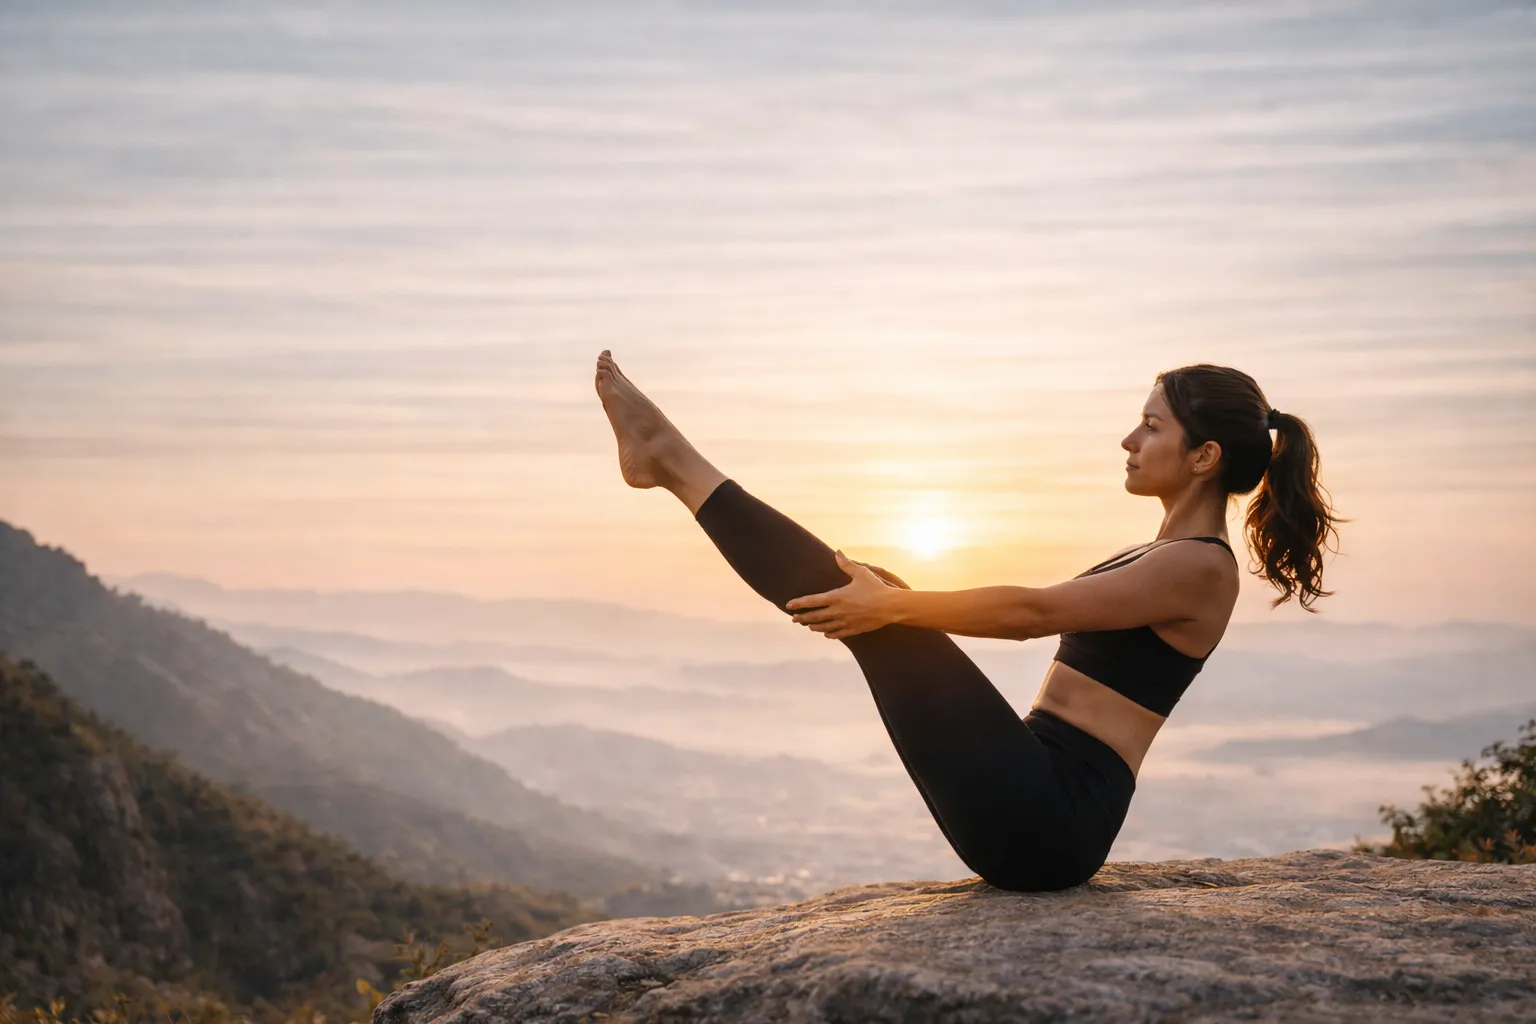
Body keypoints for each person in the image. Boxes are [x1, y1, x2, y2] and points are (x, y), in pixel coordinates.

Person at [592, 350, 1342, 891]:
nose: (1128, 440)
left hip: (1052, 816)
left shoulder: (1200, 566)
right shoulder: (1164, 553)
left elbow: (1031, 612)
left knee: (878, 599)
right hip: (1035, 787)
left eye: (1151, 426)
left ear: (1205, 454)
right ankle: (670, 465)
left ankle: (669, 462)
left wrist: (890, 604)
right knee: (878, 595)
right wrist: (889, 600)